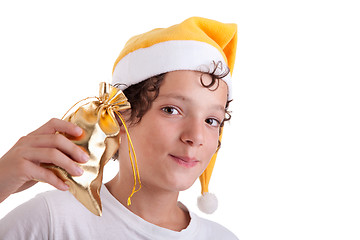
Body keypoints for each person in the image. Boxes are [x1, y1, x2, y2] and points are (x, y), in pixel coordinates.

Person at [0, 17, 238, 239]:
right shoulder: (53, 220)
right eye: (171, 110)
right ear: (121, 116)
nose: (195, 137)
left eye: (211, 121)